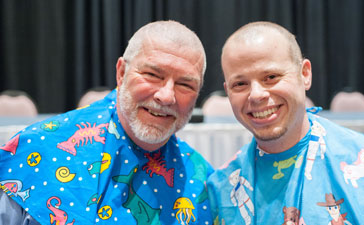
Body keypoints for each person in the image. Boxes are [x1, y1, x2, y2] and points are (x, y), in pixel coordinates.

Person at [0, 20, 214, 225]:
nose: (166, 96)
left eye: (185, 84)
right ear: (122, 73)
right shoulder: (36, 150)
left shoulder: (203, 185)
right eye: (152, 75)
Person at [207, 21, 364, 225]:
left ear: (305, 74)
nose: (256, 95)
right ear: (228, 91)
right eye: (240, 84)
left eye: (271, 77)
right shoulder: (221, 189)